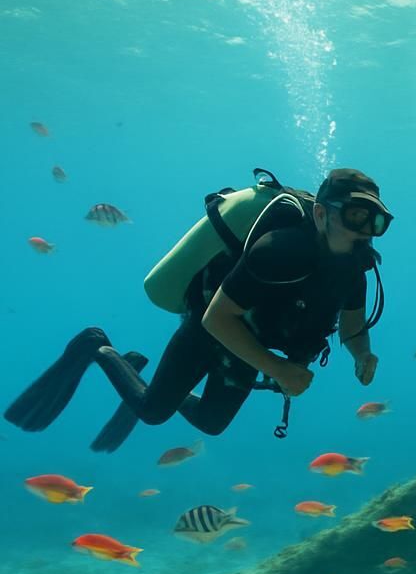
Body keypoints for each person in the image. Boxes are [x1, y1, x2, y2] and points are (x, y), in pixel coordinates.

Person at [4, 168, 393, 450]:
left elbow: (353, 325)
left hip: (251, 341)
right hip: (211, 328)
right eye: (355, 215)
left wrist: (363, 355)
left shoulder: (354, 268)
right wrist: (276, 368)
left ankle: (146, 376)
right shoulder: (279, 251)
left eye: (376, 221)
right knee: (154, 412)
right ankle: (96, 345)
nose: (364, 231)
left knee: (211, 423)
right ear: (322, 214)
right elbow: (217, 318)